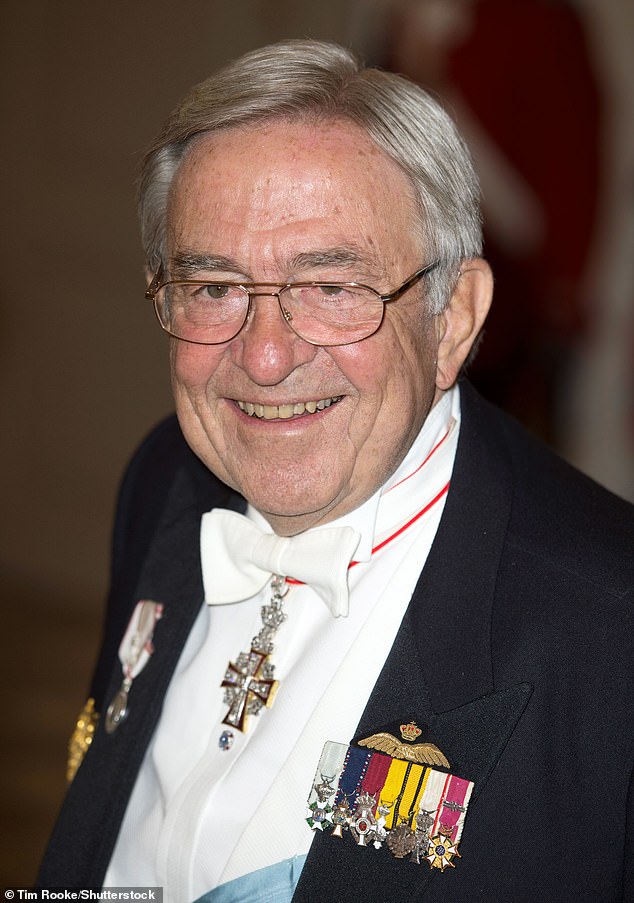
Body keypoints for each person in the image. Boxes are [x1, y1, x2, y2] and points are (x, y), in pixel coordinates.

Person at [38, 40, 633, 902]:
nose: (266, 355)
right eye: (213, 288)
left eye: (331, 287)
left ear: (454, 317)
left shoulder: (609, 630)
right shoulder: (164, 479)